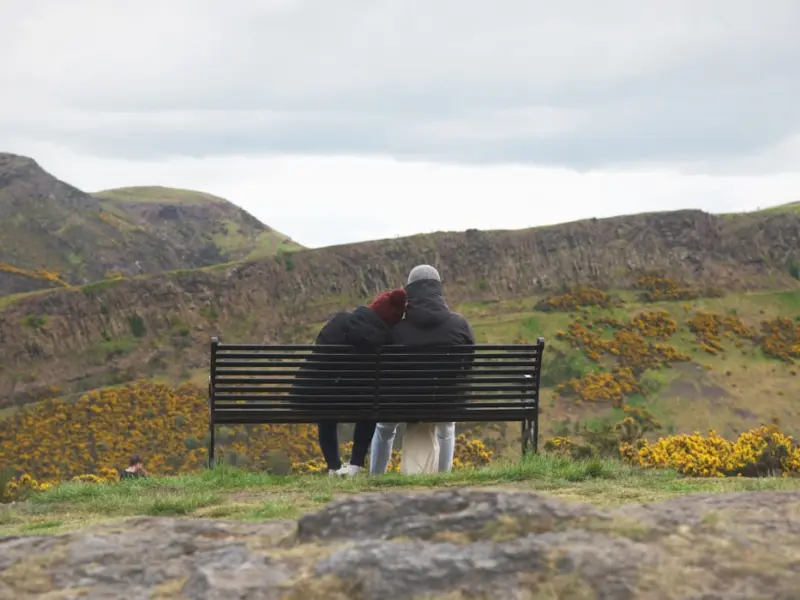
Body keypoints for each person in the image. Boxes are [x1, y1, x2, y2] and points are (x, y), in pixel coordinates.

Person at [369, 265, 476, 475]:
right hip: (445, 400)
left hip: (405, 403)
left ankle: (376, 476)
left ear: (410, 293)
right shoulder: (459, 324)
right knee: (446, 425)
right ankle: (443, 475)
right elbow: (469, 364)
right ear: (439, 290)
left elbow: (386, 370)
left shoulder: (397, 330)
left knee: (384, 427)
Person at [295, 288, 407, 476]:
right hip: (360, 403)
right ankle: (355, 465)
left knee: (327, 404)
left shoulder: (338, 322)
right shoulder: (387, 341)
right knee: (370, 404)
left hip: (319, 398)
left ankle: (333, 466)